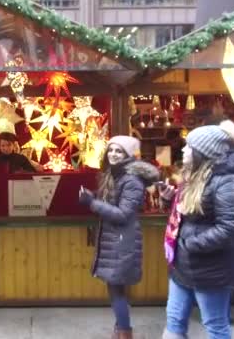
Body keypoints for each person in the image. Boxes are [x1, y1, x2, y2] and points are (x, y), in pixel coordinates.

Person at [159, 120, 234, 339]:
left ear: (203, 152)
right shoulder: (192, 176)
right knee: (174, 322)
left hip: (210, 271)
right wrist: (170, 201)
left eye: (189, 146)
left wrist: (191, 243)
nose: (184, 149)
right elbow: (189, 214)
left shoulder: (226, 181)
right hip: (182, 267)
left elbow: (229, 228)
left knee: (215, 326)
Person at [79, 135, 159, 339]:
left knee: (116, 291)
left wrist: (91, 203)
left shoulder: (131, 180)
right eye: (111, 150)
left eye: (119, 151)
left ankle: (124, 333)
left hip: (122, 241)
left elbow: (123, 214)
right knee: (116, 290)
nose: (113, 154)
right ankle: (120, 331)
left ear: (129, 154)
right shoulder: (114, 175)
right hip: (115, 239)